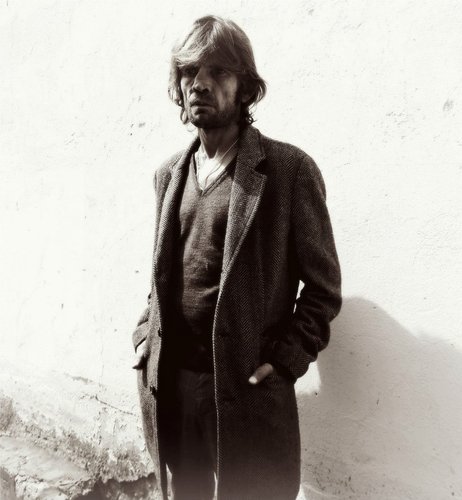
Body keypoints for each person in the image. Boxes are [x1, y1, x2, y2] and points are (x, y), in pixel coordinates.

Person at [132, 15, 341, 500]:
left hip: (245, 391)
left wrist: (286, 362)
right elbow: (164, 276)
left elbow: (324, 289)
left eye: (218, 71)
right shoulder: (169, 175)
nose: (199, 84)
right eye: (189, 72)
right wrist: (145, 336)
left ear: (245, 87)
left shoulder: (288, 171)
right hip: (173, 385)